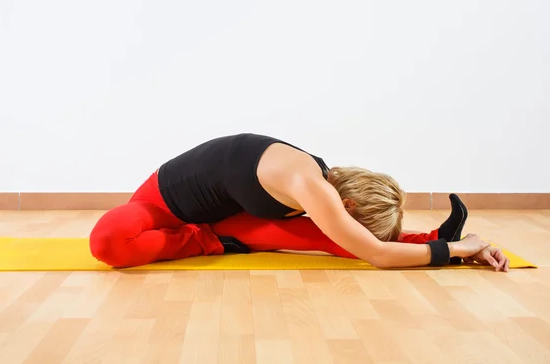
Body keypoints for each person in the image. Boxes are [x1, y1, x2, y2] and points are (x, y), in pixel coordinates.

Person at [89, 133, 510, 271]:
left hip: (226, 222)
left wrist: (458, 247)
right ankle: (202, 241)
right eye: (354, 222)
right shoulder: (311, 186)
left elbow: (356, 240)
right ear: (346, 205)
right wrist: (456, 251)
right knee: (107, 242)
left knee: (326, 239)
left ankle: (436, 234)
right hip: (159, 209)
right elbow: (377, 254)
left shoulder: (325, 181)